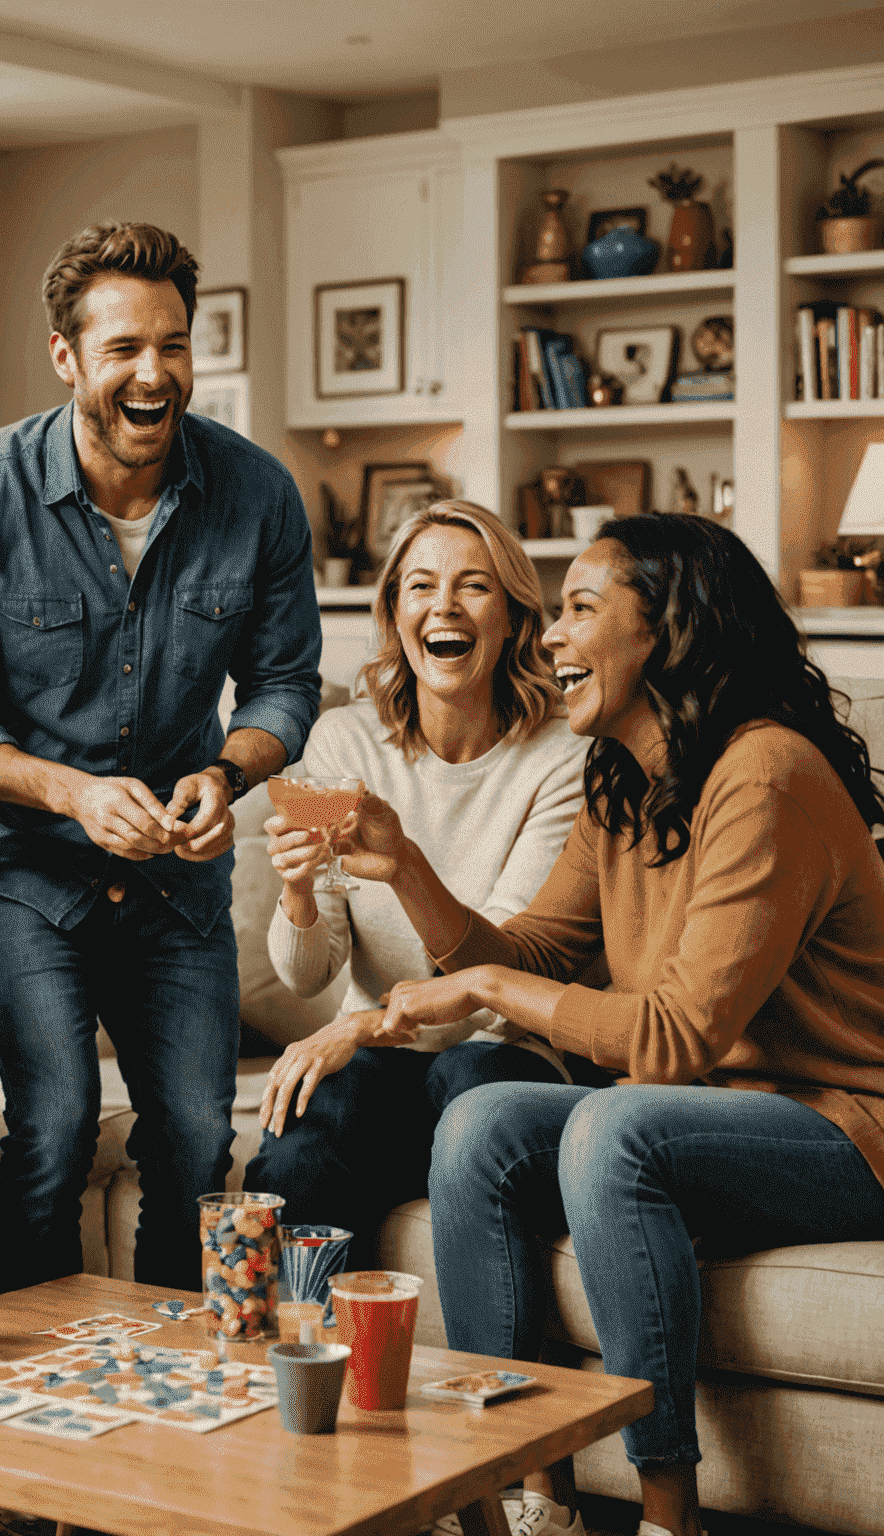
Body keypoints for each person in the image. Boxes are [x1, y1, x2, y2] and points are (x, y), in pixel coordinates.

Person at [378, 514, 884, 1536]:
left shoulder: (765, 773)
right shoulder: (624, 785)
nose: (549, 637)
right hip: (713, 1114)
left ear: (666, 632)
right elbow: (524, 957)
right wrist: (402, 867)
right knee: (480, 1127)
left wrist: (482, 993)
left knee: (618, 1124)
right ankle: (535, 1499)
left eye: (578, 610)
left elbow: (673, 1040)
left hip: (844, 1127)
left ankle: (667, 1516)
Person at [0, 221, 322, 1292]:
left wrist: (228, 774)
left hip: (177, 881)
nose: (153, 373)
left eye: (172, 346)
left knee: (191, 1145)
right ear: (66, 356)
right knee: (52, 1131)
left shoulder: (258, 495)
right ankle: (34, 1411)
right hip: (27, 872)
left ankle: (172, 1396)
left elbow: (286, 686)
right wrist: (69, 792)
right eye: (125, 347)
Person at [243, 501, 590, 1264]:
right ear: (395, 614)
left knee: (467, 1073)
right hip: (381, 1066)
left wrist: (358, 1024)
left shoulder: (562, 755)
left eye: (475, 587)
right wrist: (300, 890)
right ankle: (294, 1359)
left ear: (512, 619)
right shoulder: (344, 738)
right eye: (422, 586)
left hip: (507, 1051)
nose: (445, 606)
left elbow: (493, 973)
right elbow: (307, 978)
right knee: (302, 1143)